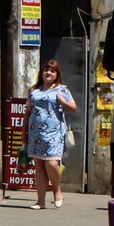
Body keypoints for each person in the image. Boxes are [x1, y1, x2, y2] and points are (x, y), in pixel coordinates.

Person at [26, 59, 77, 209]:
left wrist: (62, 101)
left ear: (57, 75)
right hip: (36, 134)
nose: (48, 73)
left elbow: (73, 108)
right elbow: (27, 113)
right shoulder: (34, 91)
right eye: (46, 70)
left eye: (52, 71)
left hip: (54, 133)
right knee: (39, 166)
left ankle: (57, 190)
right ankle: (40, 201)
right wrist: (24, 135)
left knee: (51, 162)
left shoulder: (62, 90)